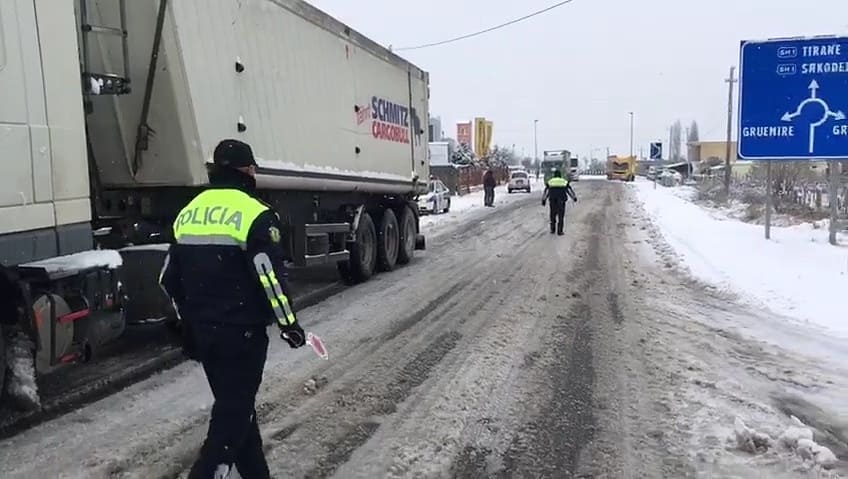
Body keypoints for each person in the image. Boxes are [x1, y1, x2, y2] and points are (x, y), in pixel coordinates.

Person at [159, 139, 306, 478]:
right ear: (246, 171)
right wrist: (289, 324)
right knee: (232, 415)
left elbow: (168, 278)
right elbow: (268, 277)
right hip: (242, 334)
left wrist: (188, 322)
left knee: (237, 407)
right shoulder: (255, 213)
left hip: (205, 333)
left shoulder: (189, 211)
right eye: (253, 168)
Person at [541, 169, 577, 235]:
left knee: (552, 215)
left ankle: (552, 229)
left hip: (552, 200)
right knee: (561, 216)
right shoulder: (564, 182)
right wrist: (574, 197)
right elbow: (569, 191)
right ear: (560, 175)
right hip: (561, 200)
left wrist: (544, 200)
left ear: (554, 175)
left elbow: (546, 192)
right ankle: (560, 231)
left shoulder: (550, 182)